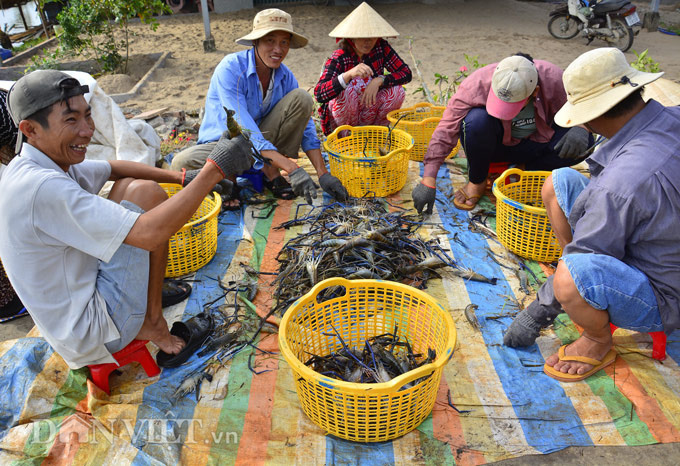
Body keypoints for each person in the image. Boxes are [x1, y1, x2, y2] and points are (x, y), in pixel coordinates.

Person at [0, 70, 254, 369]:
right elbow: (149, 234)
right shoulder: (42, 187)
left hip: (74, 312)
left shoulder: (36, 162)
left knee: (131, 188)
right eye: (71, 120)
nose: (86, 130)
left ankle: (145, 310)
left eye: (87, 115)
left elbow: (110, 168)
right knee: (146, 198)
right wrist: (215, 169)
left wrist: (183, 176)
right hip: (94, 334)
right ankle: (152, 320)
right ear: (30, 128)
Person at [502, 48, 680, 382]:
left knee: (571, 274)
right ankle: (582, 288)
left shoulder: (621, 184)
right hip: (662, 238)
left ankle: (597, 337)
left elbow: (601, 231)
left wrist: (542, 307)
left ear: (590, 115)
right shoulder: (671, 116)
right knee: (558, 183)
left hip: (666, 291)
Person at [171, 8, 348, 204]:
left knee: (302, 98)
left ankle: (269, 172)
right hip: (223, 147)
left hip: (262, 145)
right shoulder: (231, 68)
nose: (278, 50)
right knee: (181, 163)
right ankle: (243, 177)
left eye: (284, 42)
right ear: (255, 41)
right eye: (270, 40)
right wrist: (292, 168)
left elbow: (305, 128)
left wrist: (323, 174)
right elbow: (243, 129)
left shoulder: (285, 75)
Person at [412, 53, 593, 214]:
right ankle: (478, 181)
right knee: (475, 122)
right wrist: (429, 179)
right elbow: (446, 129)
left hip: (537, 147)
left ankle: (522, 171)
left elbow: (581, 105)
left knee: (583, 142)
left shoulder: (553, 78)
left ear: (534, 92)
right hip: (494, 146)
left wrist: (582, 126)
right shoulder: (477, 84)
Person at [314, 1, 412, 136]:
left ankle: (375, 135)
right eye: (362, 37)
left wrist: (379, 80)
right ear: (351, 38)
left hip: (368, 111)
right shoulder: (340, 57)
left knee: (397, 91)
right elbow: (319, 93)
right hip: (342, 121)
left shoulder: (381, 47)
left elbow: (406, 74)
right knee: (345, 91)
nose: (368, 42)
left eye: (372, 37)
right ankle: (348, 139)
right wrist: (348, 75)